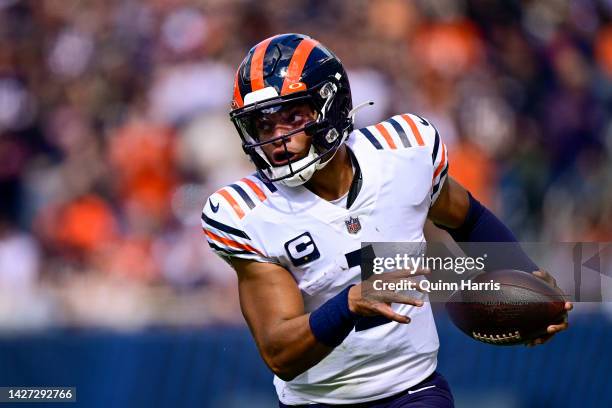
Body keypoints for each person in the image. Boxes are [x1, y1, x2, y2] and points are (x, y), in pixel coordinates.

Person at [201, 33, 572, 407]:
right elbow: (280, 354)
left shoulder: (403, 154)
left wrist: (526, 282)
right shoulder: (248, 213)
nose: (279, 138)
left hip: (411, 390)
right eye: (264, 126)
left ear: (329, 106)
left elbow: (468, 218)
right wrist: (348, 303)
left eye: (292, 116)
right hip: (315, 401)